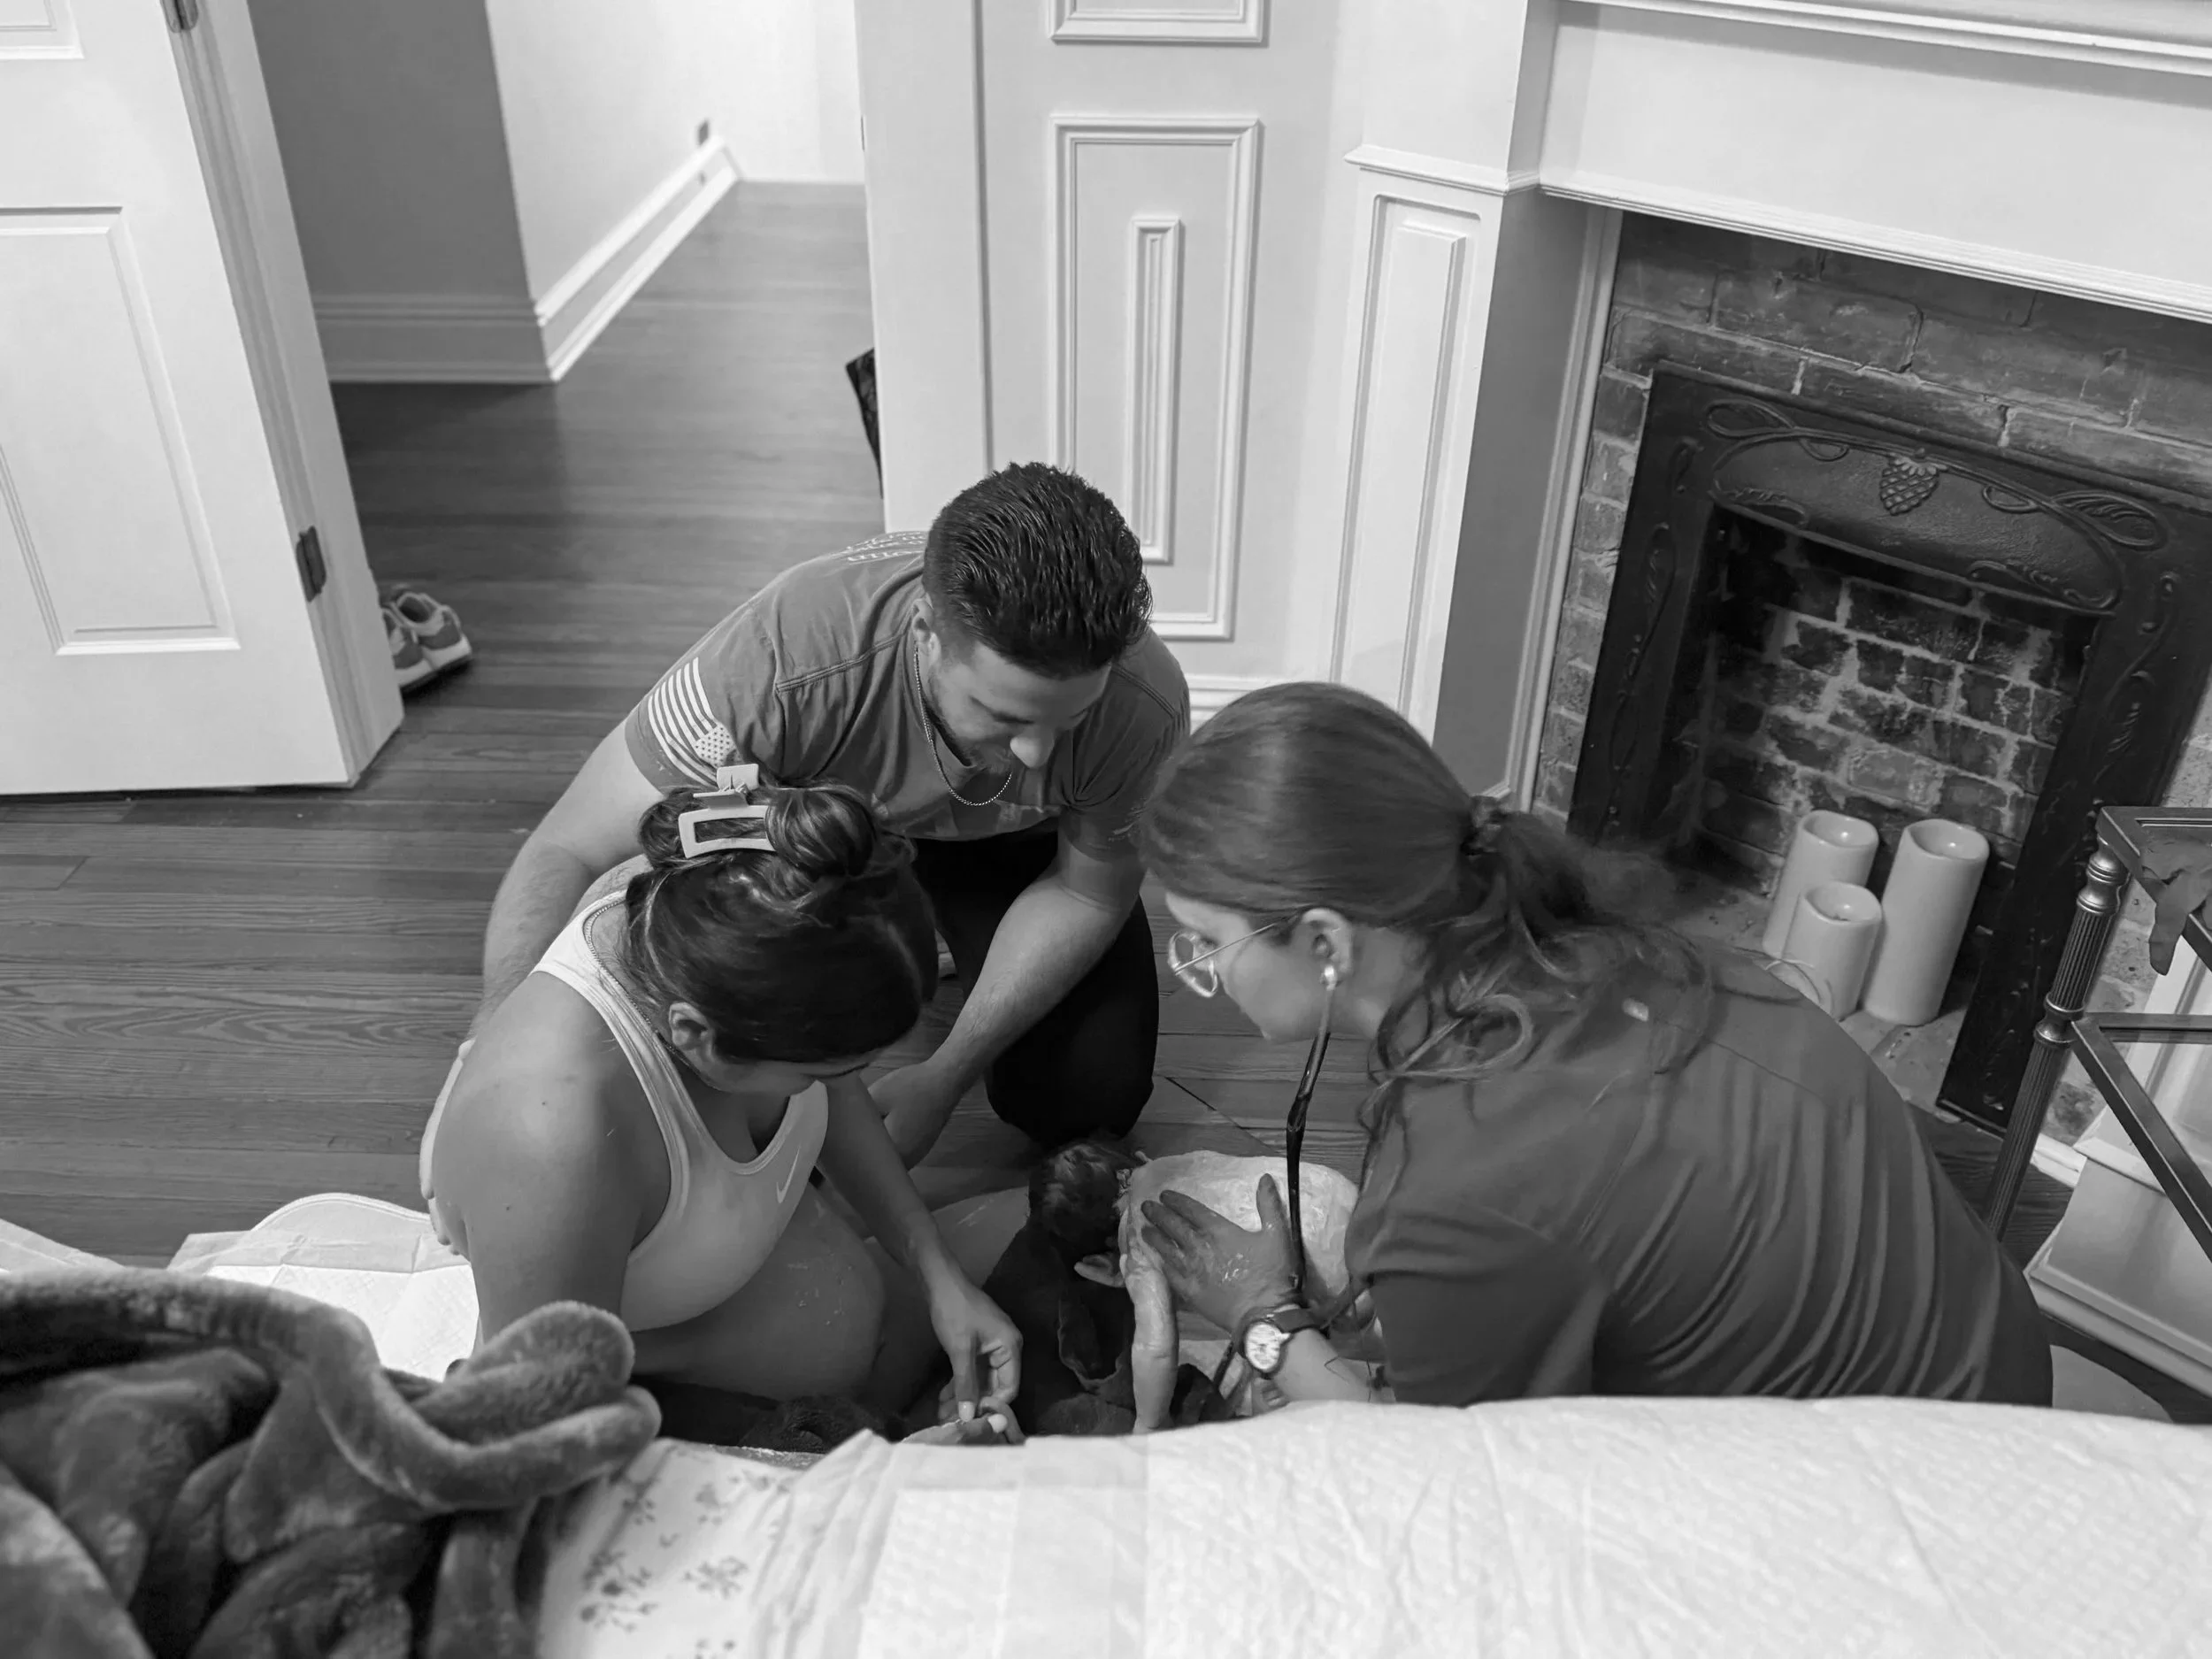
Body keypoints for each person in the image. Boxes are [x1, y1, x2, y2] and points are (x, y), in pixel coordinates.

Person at [1132, 680, 2053, 1410]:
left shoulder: (1461, 1186)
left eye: (1207, 943)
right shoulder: (1657, 961)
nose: (1191, 971)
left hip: (1916, 1496)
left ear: (1327, 943)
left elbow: (1433, 1469)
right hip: (1993, 1366)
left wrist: (1265, 1321)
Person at [473, 463, 1187, 1164]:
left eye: (1072, 718)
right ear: (924, 631)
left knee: (1087, 1099)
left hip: (1016, 844)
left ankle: (943, 933)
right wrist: (490, 1057)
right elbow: (570, 849)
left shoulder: (1142, 702)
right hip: (822, 830)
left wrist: (944, 1076)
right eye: (1003, 715)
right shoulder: (779, 662)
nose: (1035, 754)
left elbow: (1085, 890)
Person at [419, 774, 1022, 1425]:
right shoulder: (555, 1139)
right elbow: (538, 1425)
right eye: (810, 1074)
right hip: (622, 1393)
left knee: (1037, 1222)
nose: (845, 1086)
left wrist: (937, 1272)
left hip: (721, 1276)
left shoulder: (733, 912)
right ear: (694, 1036)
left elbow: (833, 1080)